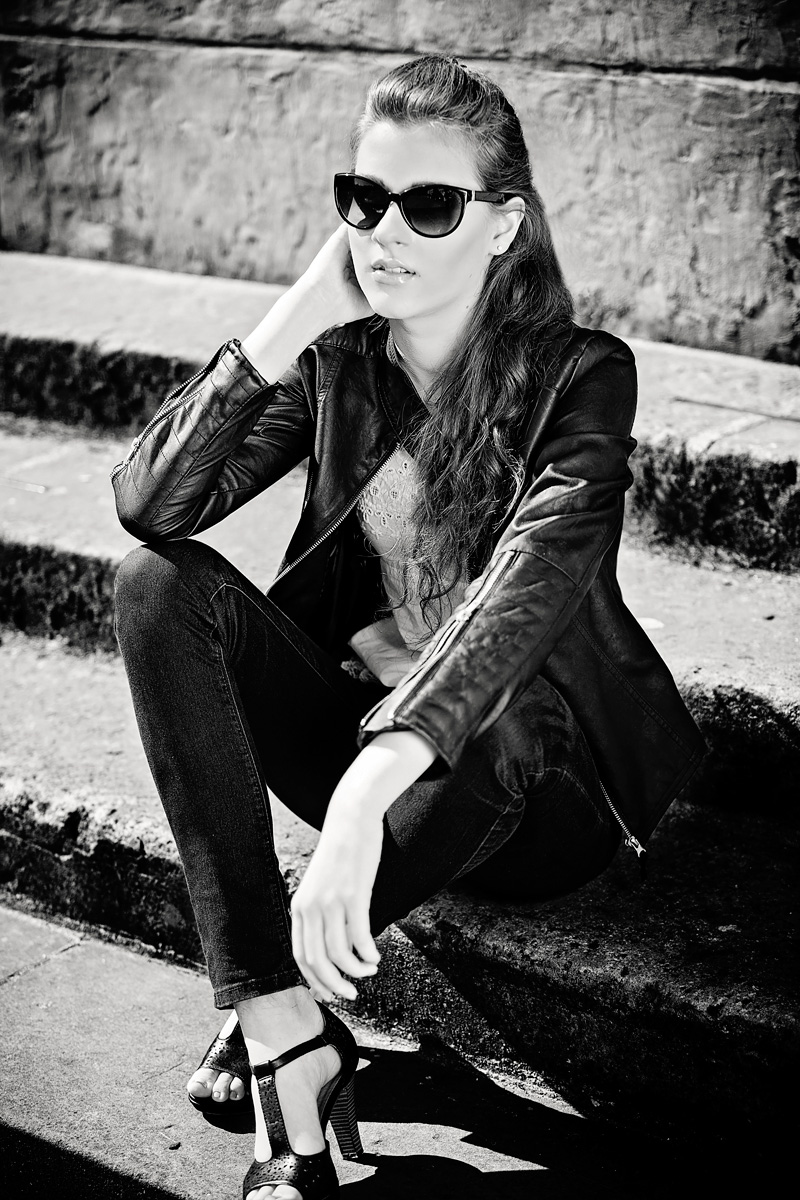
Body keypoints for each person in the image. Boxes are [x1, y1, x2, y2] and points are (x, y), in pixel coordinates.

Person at [112, 54, 706, 1200]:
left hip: (528, 792)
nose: (385, 231)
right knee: (156, 585)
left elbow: (520, 601)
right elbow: (152, 505)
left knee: (503, 709)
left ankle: (276, 1012)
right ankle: (283, 1023)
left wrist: (361, 794)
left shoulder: (581, 379)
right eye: (363, 198)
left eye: (428, 204)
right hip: (366, 765)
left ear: (502, 226)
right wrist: (301, 305)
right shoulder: (342, 361)